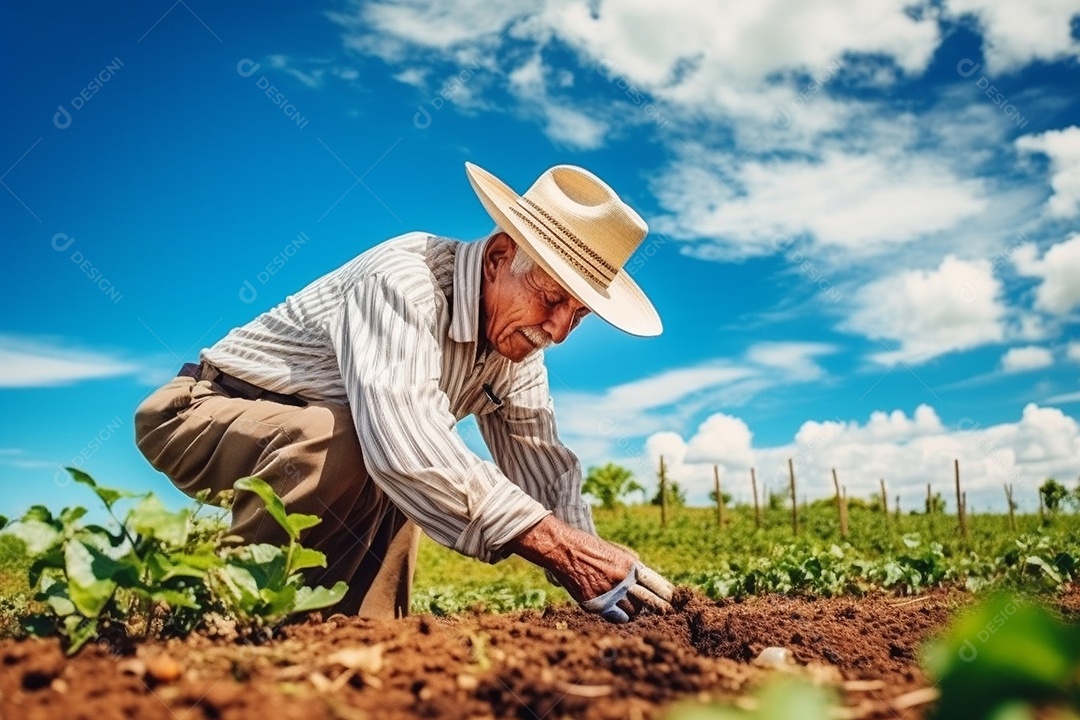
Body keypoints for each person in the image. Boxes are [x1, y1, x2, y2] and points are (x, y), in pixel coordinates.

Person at [134, 161, 674, 623]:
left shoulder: (516, 348)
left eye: (576, 316)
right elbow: (405, 447)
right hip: (203, 409)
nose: (557, 330)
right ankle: (234, 620)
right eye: (550, 297)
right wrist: (561, 550)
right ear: (497, 258)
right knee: (377, 445)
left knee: (397, 470)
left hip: (337, 443)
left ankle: (358, 646)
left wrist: (598, 569)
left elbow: (543, 464)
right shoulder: (405, 282)